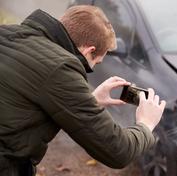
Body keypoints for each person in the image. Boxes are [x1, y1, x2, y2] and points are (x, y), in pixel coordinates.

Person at [0, 5, 166, 176]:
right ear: (89, 50)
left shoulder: (6, 33)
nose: (92, 68)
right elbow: (118, 151)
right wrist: (146, 124)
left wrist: (89, 100)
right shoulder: (61, 69)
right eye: (96, 63)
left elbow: (25, 101)